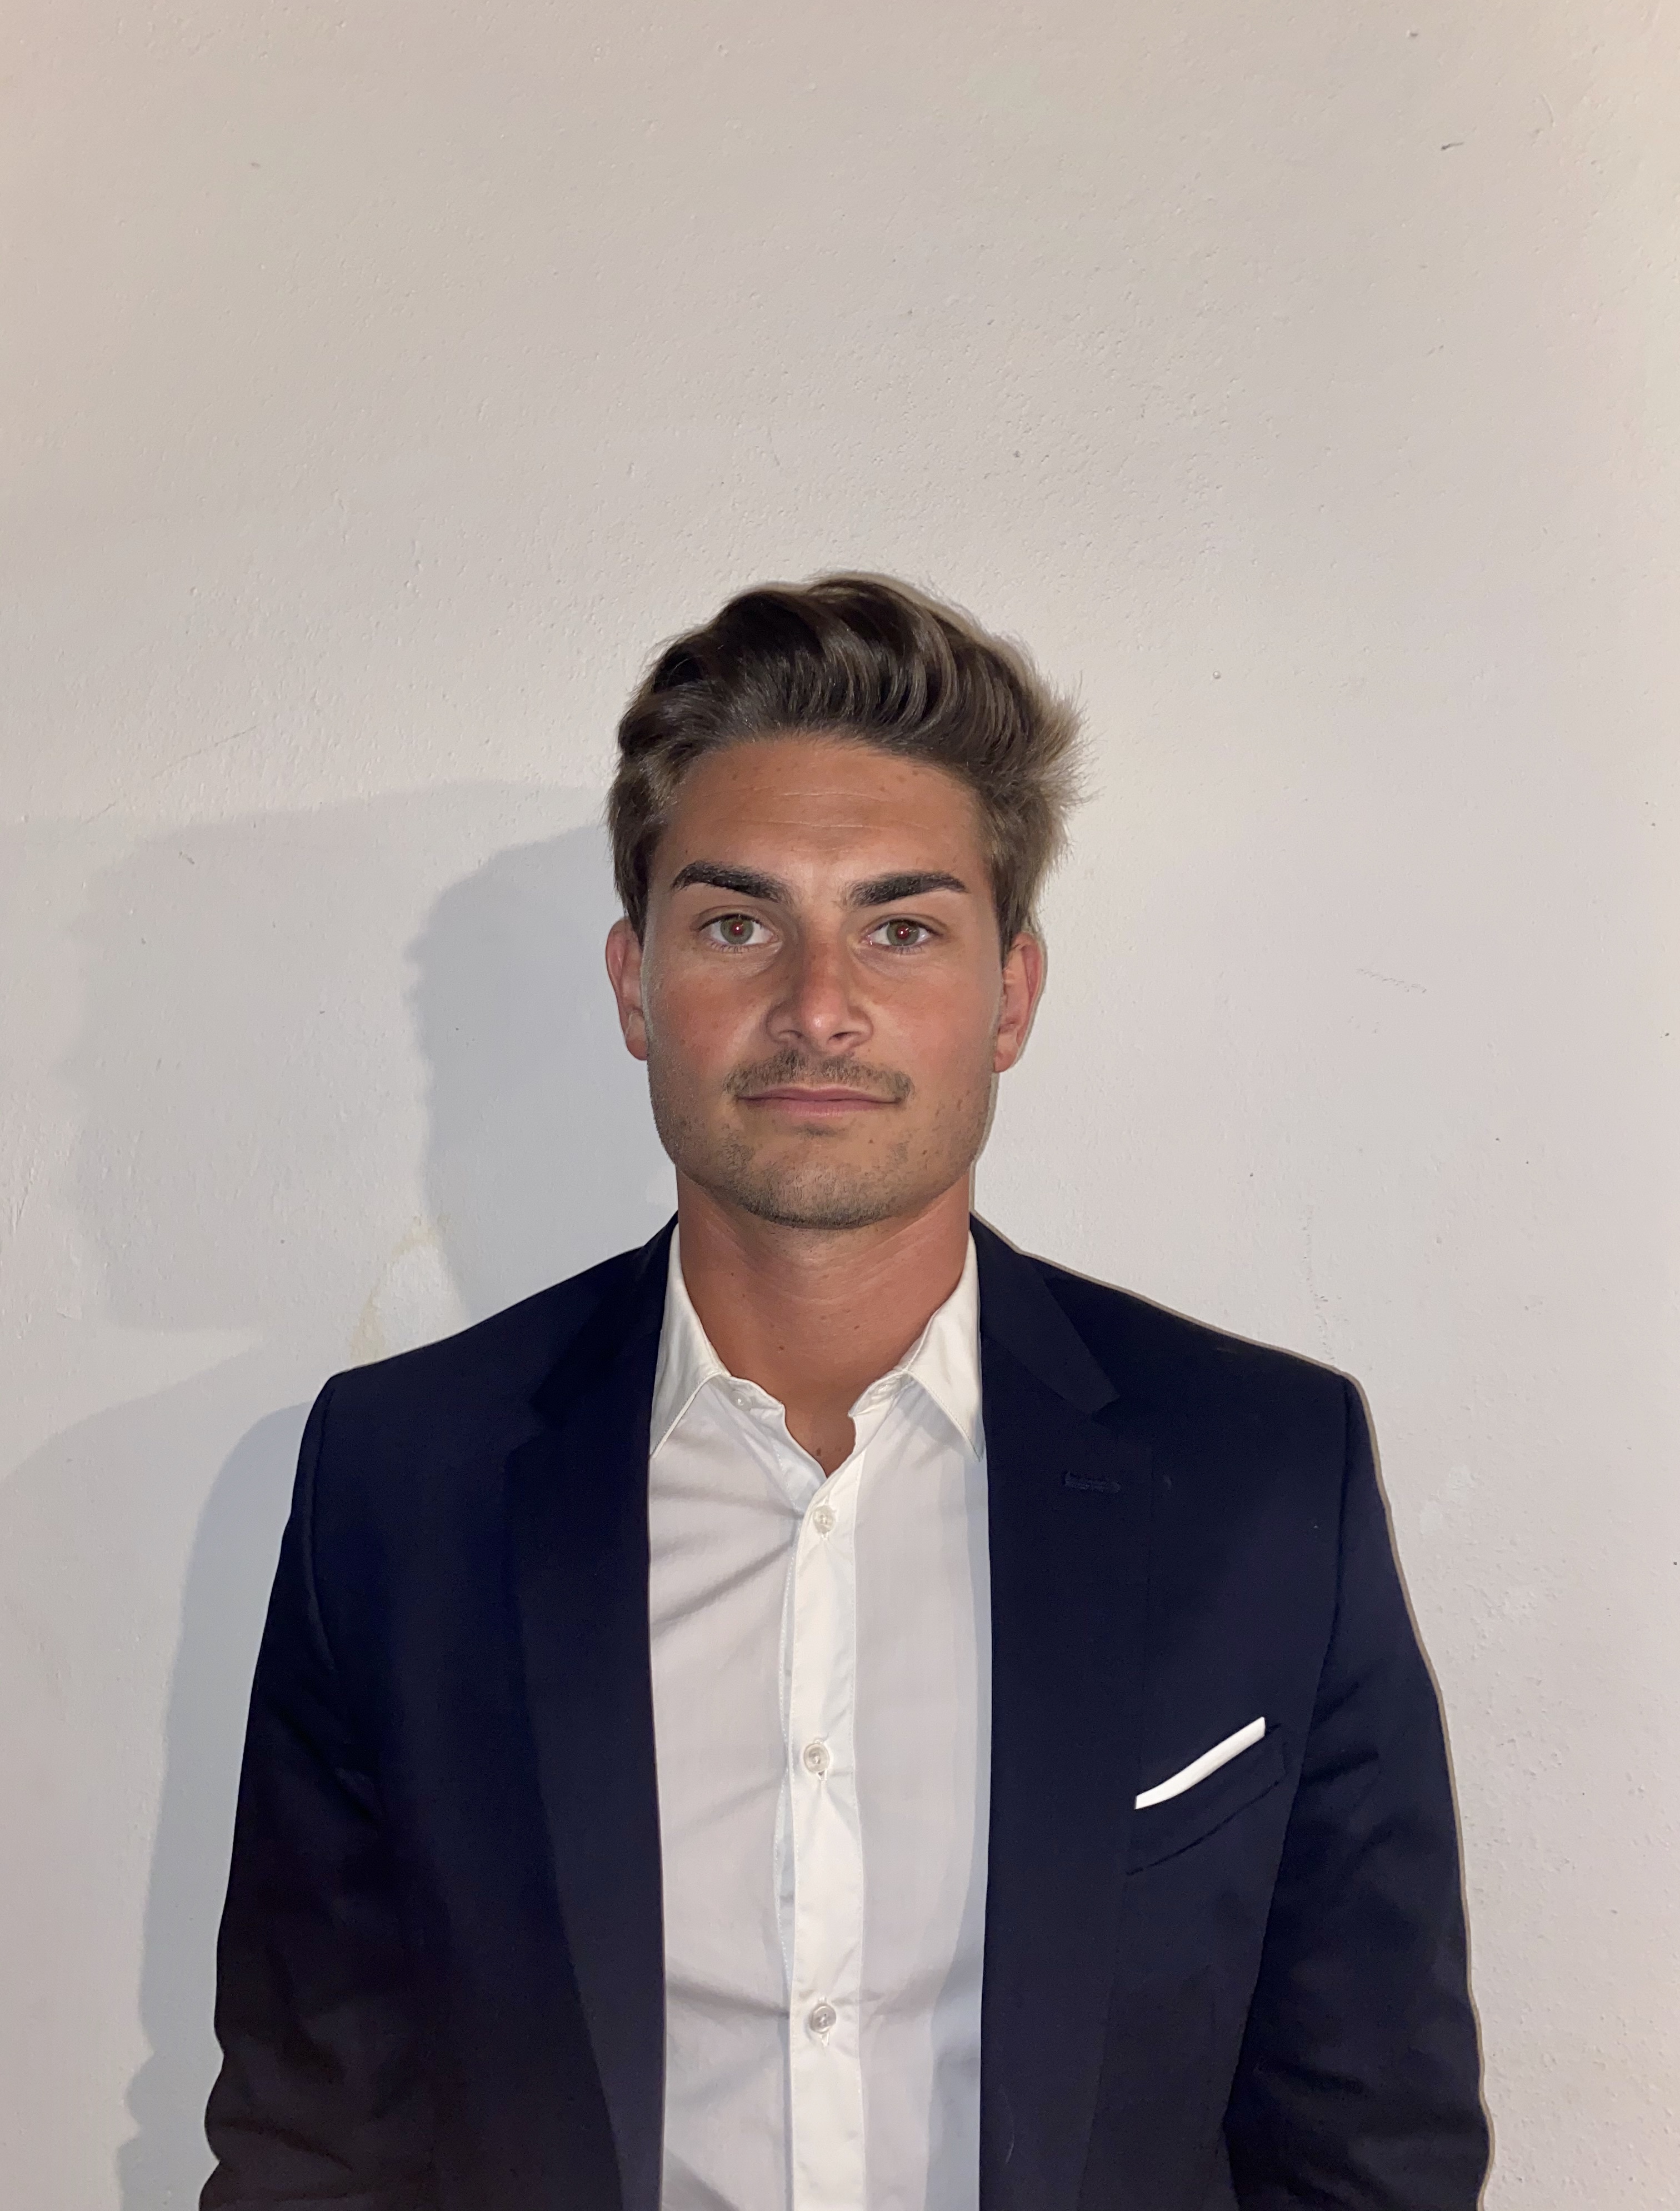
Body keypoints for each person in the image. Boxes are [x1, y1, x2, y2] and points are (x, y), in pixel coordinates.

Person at [202, 575, 1489, 2211]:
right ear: (634, 984)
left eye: (901, 927)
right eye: (739, 925)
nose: (818, 1006)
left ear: (1012, 994)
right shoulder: (404, 1485)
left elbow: (1373, 2143)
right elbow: (315, 2138)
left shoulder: (1261, 1477)